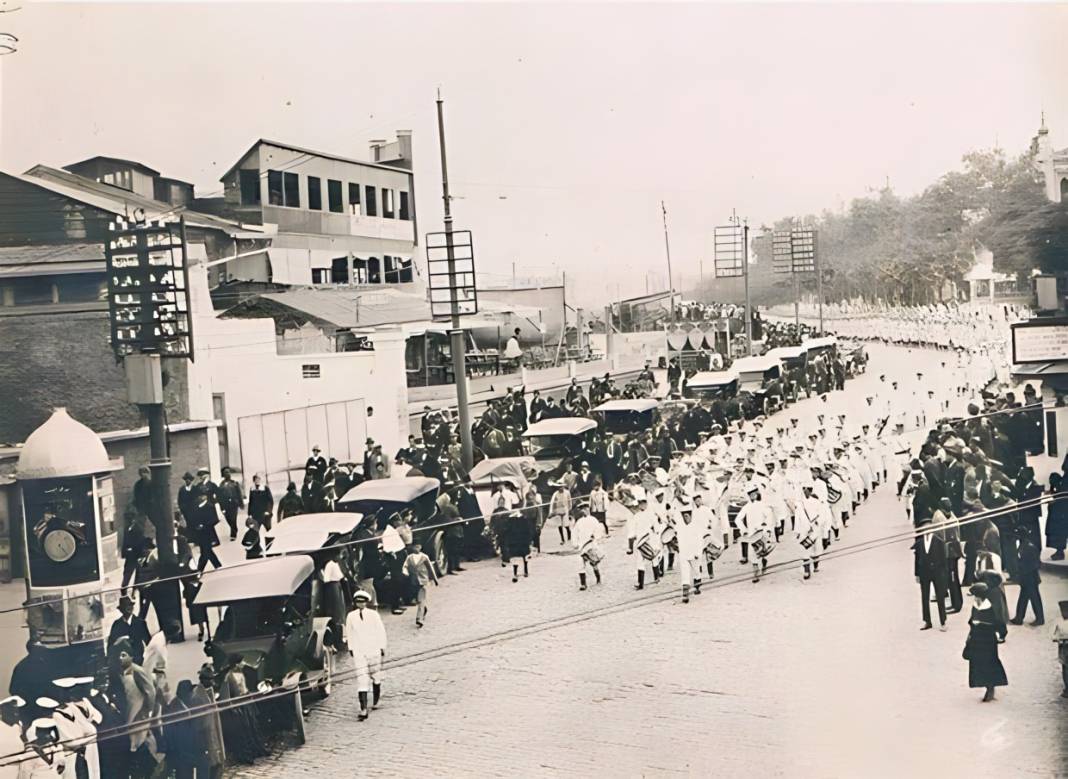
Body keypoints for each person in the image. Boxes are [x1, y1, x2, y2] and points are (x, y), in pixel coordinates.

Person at [963, 582, 1008, 702]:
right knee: (978, 663)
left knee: (989, 662)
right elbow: (971, 620)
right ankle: (986, 685)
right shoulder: (976, 605)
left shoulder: (990, 606)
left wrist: (1002, 634)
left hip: (987, 638)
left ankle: (990, 688)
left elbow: (999, 621)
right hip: (977, 637)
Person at [346, 590, 387, 721]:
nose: (361, 604)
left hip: (373, 649)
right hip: (359, 651)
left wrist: (382, 646)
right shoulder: (351, 616)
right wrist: (351, 648)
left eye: (363, 601)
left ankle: (376, 701)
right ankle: (363, 709)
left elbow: (380, 630)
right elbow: (349, 633)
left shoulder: (373, 615)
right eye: (358, 602)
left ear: (366, 602)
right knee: (362, 678)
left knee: (375, 675)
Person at [913, 516, 948, 631]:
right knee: (924, 597)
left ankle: (943, 621)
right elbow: (917, 559)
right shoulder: (919, 542)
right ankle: (927, 621)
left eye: (929, 527)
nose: (927, 530)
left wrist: (944, 575)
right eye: (924, 528)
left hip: (937, 573)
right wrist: (917, 574)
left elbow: (944, 560)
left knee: (940, 597)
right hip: (924, 573)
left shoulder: (939, 541)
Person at [1010, 526, 1044, 626]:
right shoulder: (1023, 545)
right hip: (1026, 578)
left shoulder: (1029, 547)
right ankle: (1019, 618)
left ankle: (1039, 619)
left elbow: (1035, 564)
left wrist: (1023, 573)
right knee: (1023, 598)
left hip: (1030, 578)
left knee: (1035, 599)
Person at [401, 543, 438, 628]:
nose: (416, 548)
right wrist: (405, 572)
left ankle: (419, 619)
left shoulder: (424, 557)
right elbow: (405, 566)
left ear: (420, 547)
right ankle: (424, 609)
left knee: (421, 599)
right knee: (418, 600)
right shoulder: (409, 557)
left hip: (423, 581)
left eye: (418, 546)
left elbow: (430, 568)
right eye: (415, 546)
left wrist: (435, 579)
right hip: (413, 581)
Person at [107, 596, 151, 664]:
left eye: (130, 605)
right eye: (125, 606)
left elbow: (149, 643)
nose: (129, 608)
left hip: (139, 661)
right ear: (121, 610)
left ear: (133, 607)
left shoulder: (140, 623)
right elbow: (110, 646)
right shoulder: (116, 625)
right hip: (123, 663)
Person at [572, 505, 605, 591]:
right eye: (583, 510)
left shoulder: (593, 520)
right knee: (580, 564)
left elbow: (599, 530)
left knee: (594, 563)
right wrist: (575, 543)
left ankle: (598, 578)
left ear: (588, 509)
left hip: (591, 544)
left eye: (585, 509)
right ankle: (583, 584)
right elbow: (575, 532)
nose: (584, 511)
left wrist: (595, 536)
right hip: (582, 545)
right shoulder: (579, 521)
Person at [216, 467, 244, 542]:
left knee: (233, 519)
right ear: (223, 475)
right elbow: (219, 497)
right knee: (228, 519)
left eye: (228, 472)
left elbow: (239, 494)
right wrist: (222, 508)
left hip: (234, 504)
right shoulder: (221, 485)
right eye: (226, 473)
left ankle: (233, 534)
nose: (227, 474)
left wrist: (241, 504)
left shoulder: (234, 483)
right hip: (225, 505)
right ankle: (235, 528)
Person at [1053, 600, 1068, 699]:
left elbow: (1055, 637)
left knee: (1066, 669)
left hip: (1064, 651)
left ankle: (1067, 689)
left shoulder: (1061, 625)